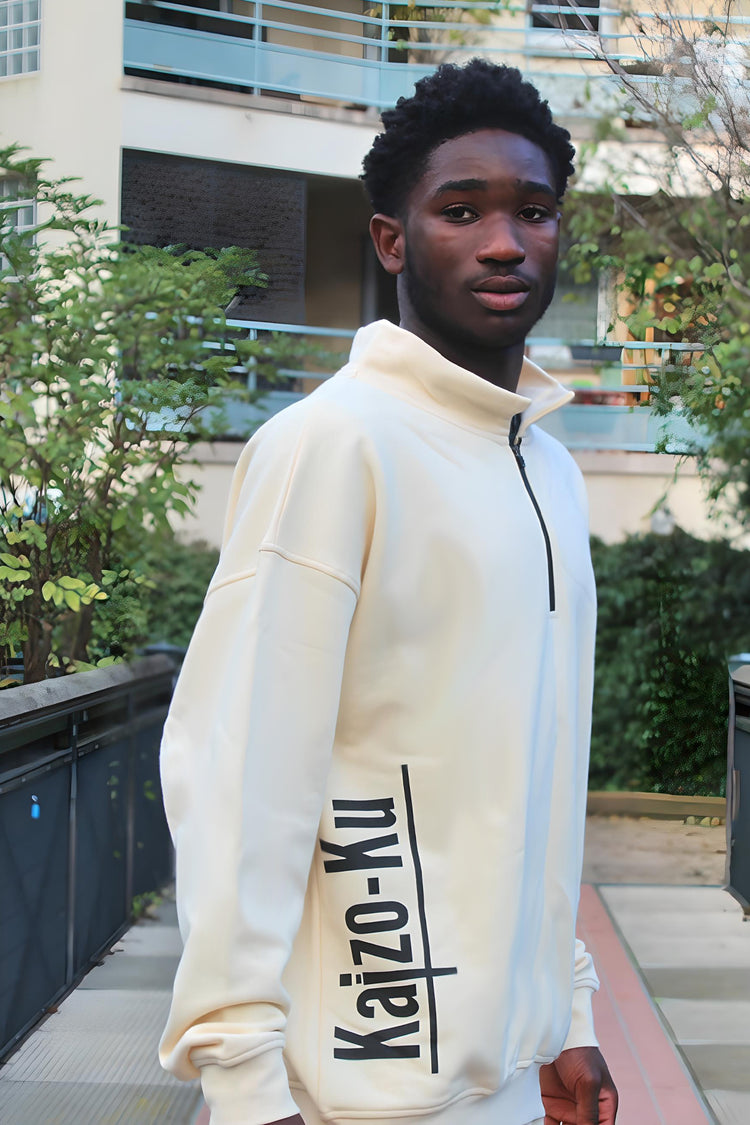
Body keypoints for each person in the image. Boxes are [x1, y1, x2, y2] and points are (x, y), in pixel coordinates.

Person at [159, 58, 618, 1125]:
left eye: (535, 211)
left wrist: (572, 1015)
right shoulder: (333, 445)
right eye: (462, 211)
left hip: (501, 1078)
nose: (505, 242)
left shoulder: (548, 468)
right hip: (348, 1090)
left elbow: (531, 782)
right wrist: (241, 1078)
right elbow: (242, 775)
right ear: (392, 239)